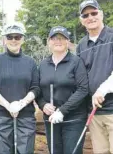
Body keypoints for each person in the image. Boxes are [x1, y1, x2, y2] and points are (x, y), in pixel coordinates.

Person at [77, 0, 113, 154]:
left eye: (94, 13)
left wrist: (102, 90)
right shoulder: (81, 45)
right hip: (94, 114)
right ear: (82, 20)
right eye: (85, 15)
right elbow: (80, 78)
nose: (90, 17)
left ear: (101, 14)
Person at [0, 22, 40, 154]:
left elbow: (35, 88)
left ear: (23, 39)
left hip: (25, 117)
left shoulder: (30, 62)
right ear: (4, 40)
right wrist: (8, 105)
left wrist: (21, 104)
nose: (13, 40)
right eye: (10, 37)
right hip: (0, 117)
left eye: (17, 37)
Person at [37, 26, 89, 154]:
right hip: (51, 120)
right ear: (49, 42)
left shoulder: (76, 62)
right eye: (54, 38)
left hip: (74, 119)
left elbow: (83, 89)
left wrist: (62, 111)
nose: (58, 41)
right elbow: (37, 90)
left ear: (67, 41)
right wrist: (43, 105)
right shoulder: (43, 65)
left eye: (62, 38)